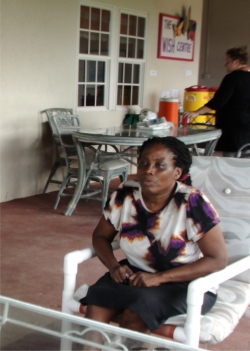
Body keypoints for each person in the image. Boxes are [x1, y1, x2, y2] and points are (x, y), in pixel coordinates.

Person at [78, 136, 227, 341]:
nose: (149, 170)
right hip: (136, 275)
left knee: (136, 313)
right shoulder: (125, 195)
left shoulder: (192, 202)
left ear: (177, 173)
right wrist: (113, 266)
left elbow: (218, 259)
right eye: (144, 163)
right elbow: (101, 236)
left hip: (185, 282)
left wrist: (159, 278)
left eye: (160, 166)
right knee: (97, 301)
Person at [183, 46, 250, 155]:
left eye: (227, 61)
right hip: (246, 126)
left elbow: (218, 101)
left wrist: (197, 112)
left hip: (232, 126)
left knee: (225, 157)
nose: (225, 64)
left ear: (236, 61)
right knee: (243, 156)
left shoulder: (232, 78)